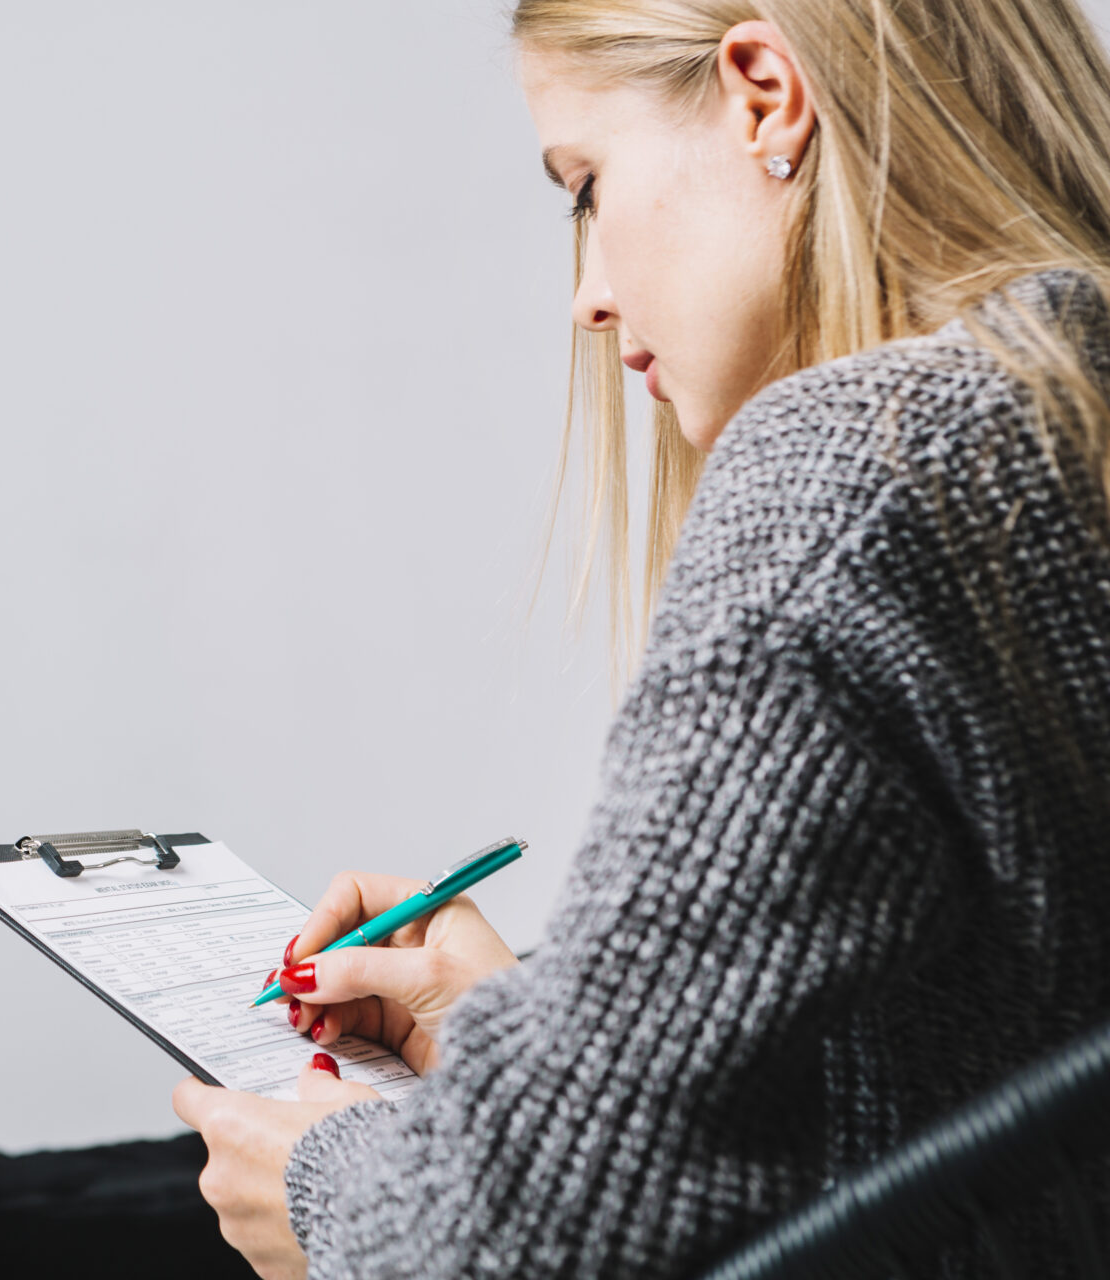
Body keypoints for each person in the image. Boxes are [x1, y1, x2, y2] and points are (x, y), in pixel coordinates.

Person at [173, 1, 1110, 1277]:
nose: (589, 297)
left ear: (764, 94)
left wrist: (326, 1183)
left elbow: (526, 1239)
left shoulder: (862, 468)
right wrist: (540, 1040)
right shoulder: (1065, 403)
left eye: (587, 185)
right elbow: (980, 1098)